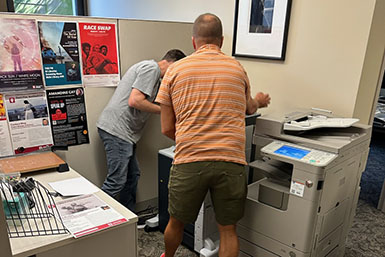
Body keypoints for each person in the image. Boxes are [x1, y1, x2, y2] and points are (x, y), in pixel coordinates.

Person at [155, 13, 271, 257]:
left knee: (175, 222)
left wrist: (193, 140)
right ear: (222, 40)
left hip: (190, 160)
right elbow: (249, 108)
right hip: (231, 161)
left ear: (194, 41)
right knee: (228, 229)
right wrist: (259, 101)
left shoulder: (175, 70)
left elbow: (166, 128)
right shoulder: (237, 68)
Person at [96, 49, 186, 212]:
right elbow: (135, 101)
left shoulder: (155, 77)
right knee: (116, 181)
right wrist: (166, 112)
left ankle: (128, 219)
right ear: (172, 64)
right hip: (118, 131)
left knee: (132, 177)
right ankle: (95, 221)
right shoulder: (151, 69)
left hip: (125, 133)